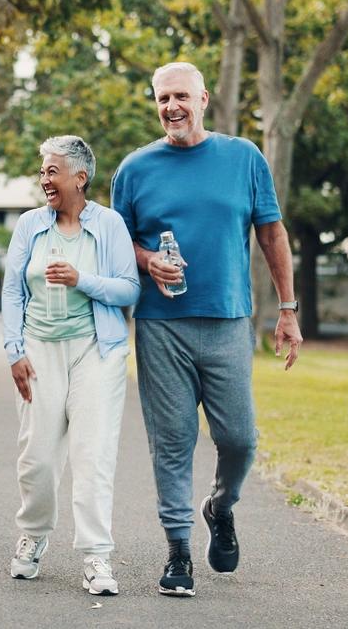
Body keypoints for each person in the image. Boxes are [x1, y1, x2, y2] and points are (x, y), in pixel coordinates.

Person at [111, 62, 303, 597]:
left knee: (239, 439)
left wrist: (287, 309)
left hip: (227, 322)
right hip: (161, 327)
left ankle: (220, 505)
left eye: (180, 96)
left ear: (204, 99)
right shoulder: (134, 169)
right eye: (161, 98)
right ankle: (178, 552)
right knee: (172, 443)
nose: (171, 107)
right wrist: (149, 260)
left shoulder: (243, 158)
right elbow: (113, 240)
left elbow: (270, 232)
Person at [1, 136, 139, 595]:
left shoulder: (110, 225)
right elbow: (12, 292)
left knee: (92, 454)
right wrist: (14, 350)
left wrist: (84, 281)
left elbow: (128, 289)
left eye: (52, 171)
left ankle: (96, 557)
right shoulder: (28, 226)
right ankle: (34, 536)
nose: (44, 179)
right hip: (39, 350)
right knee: (37, 457)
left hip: (95, 349)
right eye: (42, 171)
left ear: (80, 177)